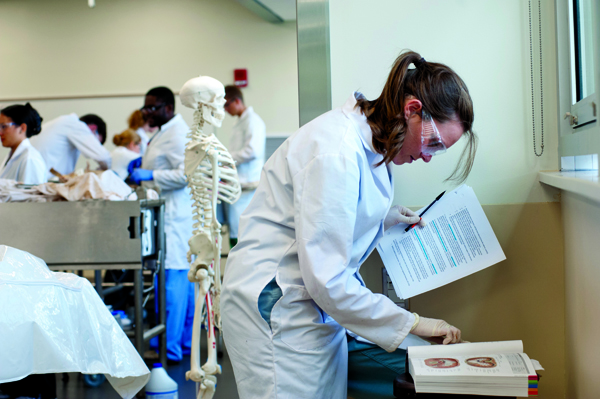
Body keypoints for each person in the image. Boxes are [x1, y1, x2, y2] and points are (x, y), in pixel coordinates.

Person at [221, 50, 477, 399]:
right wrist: (412, 324)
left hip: (310, 304)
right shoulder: (336, 151)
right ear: (412, 109)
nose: (429, 156)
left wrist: (382, 220)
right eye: (433, 143)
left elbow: (324, 218)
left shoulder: (371, 144)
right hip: (279, 306)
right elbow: (328, 278)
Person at [128, 86, 194, 363]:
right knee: (183, 283)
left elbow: (186, 174)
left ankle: (171, 348)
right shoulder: (164, 132)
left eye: (152, 107)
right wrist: (145, 166)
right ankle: (184, 344)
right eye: (145, 107)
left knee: (174, 281)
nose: (146, 112)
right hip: (171, 215)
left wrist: (149, 173)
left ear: (168, 107)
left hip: (175, 218)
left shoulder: (178, 134)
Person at [223, 85, 266, 247]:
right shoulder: (241, 122)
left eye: (226, 105)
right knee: (235, 227)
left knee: (241, 231)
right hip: (237, 184)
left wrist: (226, 157)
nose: (225, 110)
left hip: (246, 185)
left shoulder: (253, 121)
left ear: (237, 101)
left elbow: (252, 151)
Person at [30, 113, 111, 177]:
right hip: (44, 181)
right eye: (96, 141)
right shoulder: (76, 125)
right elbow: (103, 157)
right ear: (93, 128)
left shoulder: (62, 122)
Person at [0, 103, 47, 184]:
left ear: (22, 128)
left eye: (4, 127)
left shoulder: (30, 159)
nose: (0, 132)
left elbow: (30, 195)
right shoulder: (14, 155)